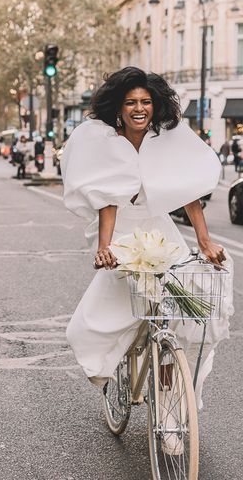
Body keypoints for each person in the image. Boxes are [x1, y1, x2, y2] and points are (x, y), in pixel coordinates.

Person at [61, 67, 233, 451]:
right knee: (118, 301)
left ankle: (172, 416)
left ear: (155, 105)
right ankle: (117, 359)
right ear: (118, 108)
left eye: (146, 102)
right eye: (131, 103)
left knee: (180, 314)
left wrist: (205, 242)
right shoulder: (108, 140)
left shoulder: (165, 138)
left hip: (158, 229)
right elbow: (108, 200)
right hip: (119, 229)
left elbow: (188, 193)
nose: (139, 109)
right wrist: (105, 247)